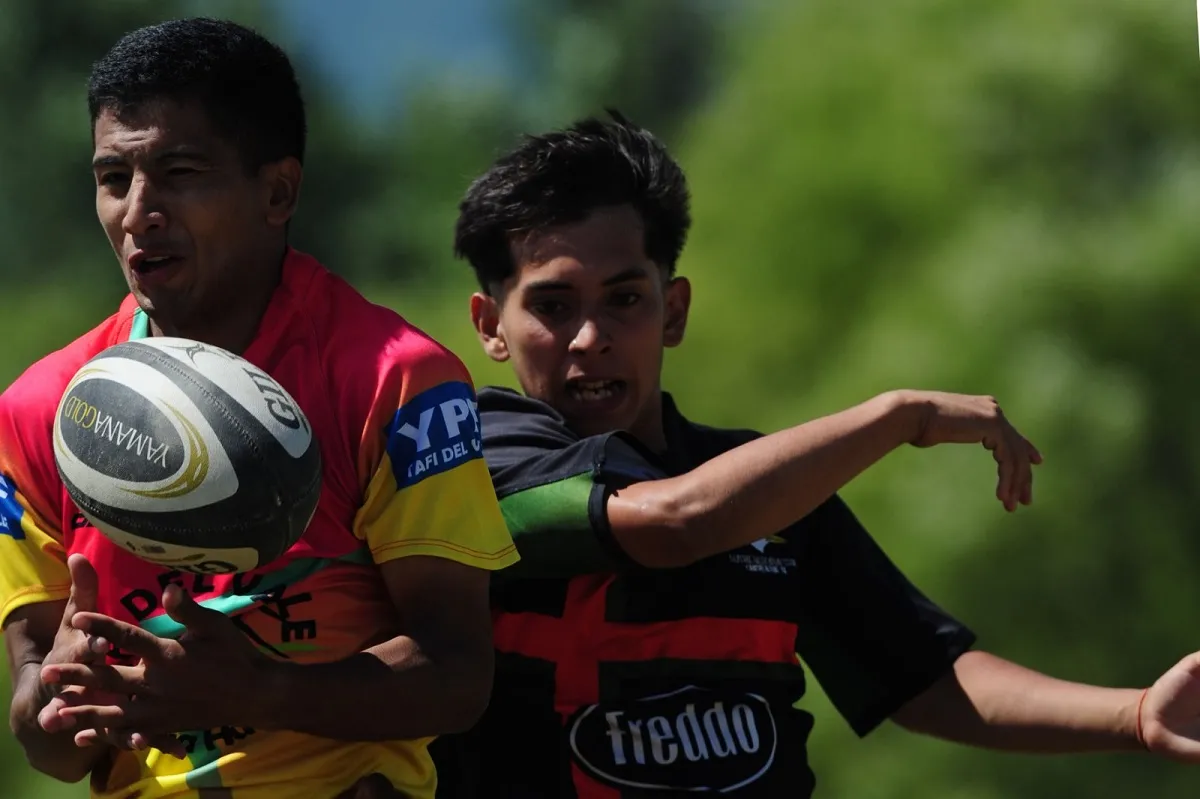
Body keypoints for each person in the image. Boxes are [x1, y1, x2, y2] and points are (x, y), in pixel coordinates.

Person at [428, 111, 1200, 796]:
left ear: (675, 310)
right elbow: (674, 523)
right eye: (553, 306)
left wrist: (1132, 714)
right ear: (491, 324)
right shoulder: (475, 460)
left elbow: (924, 679)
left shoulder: (765, 484)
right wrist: (900, 415)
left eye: (625, 297)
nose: (590, 337)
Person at [0, 18, 518, 799]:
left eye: (179, 172)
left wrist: (256, 690)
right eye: (114, 179)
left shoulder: (397, 381)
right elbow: (51, 749)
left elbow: (458, 674)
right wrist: (59, 694)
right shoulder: (37, 412)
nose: (139, 211)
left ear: (278, 190)